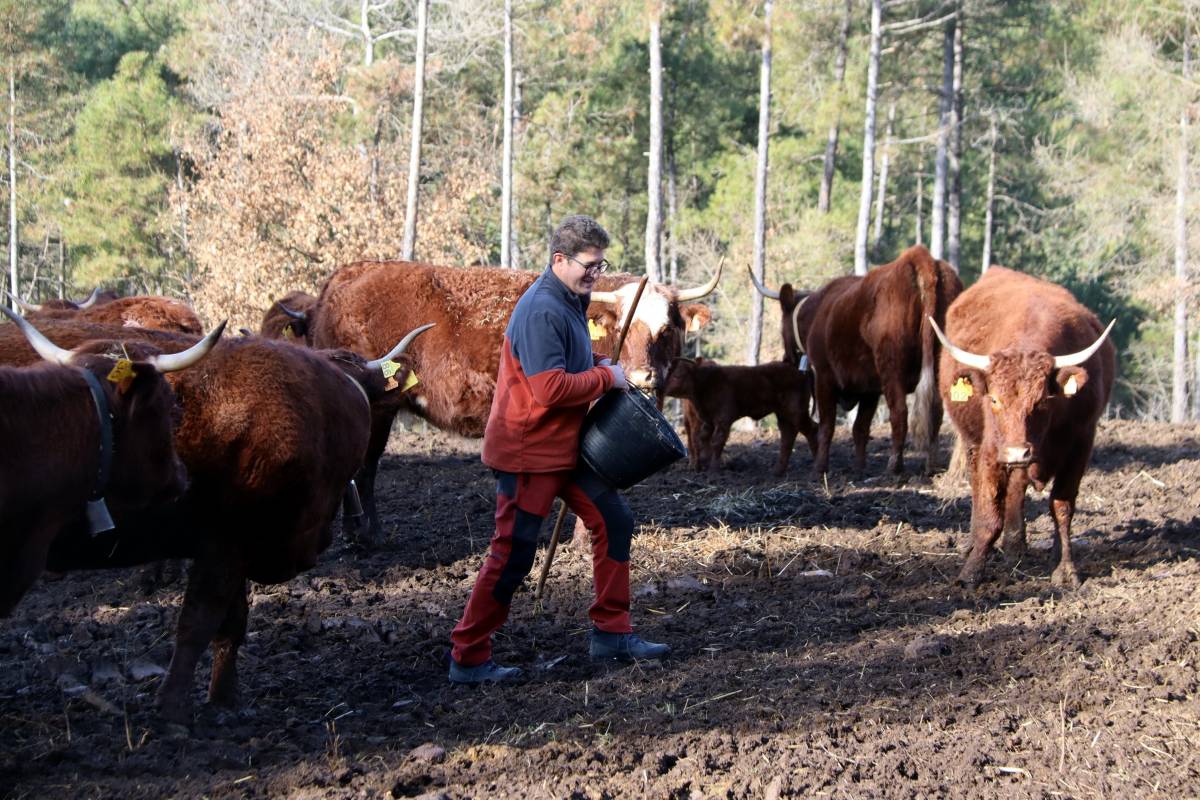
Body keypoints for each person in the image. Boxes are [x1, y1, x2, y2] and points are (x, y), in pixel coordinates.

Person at [448, 215, 670, 684]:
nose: (595, 274)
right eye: (589, 266)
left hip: (564, 446)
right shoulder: (541, 310)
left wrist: (594, 362)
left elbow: (567, 360)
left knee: (614, 520)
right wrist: (607, 377)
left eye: (600, 264)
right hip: (529, 450)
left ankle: (612, 632)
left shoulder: (572, 300)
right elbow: (548, 388)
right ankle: (468, 655)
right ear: (559, 260)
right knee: (512, 555)